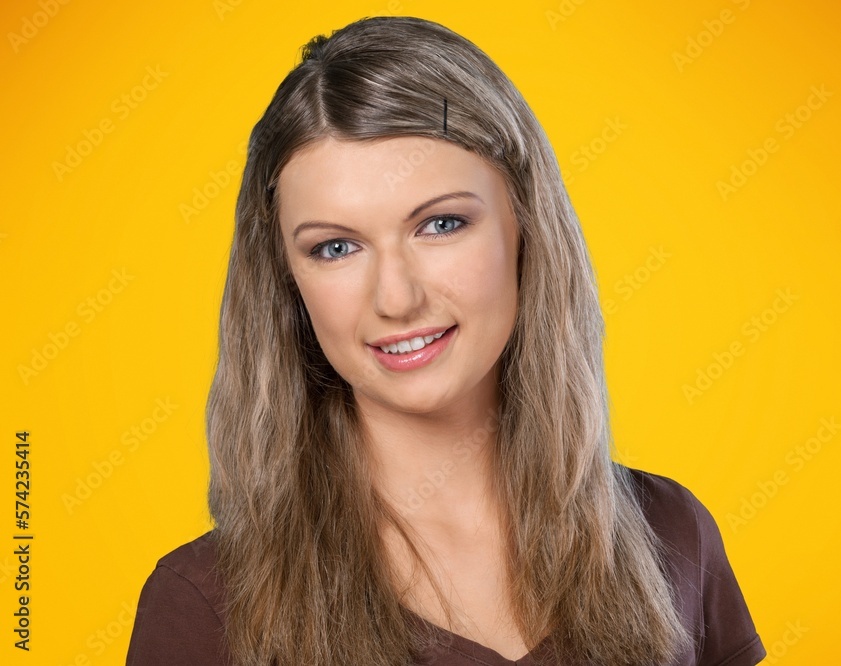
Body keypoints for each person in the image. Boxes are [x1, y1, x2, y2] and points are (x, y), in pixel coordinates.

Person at [125, 16, 766, 666]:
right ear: (287, 280)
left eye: (440, 224)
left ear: (525, 227)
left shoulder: (673, 533)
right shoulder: (205, 609)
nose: (397, 298)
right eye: (336, 247)